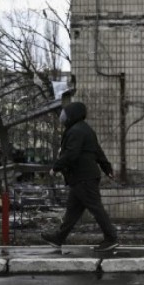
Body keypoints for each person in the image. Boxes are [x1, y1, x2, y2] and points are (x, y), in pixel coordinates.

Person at [41, 101, 119, 251]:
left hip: (83, 177)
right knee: (73, 210)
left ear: (73, 115)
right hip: (81, 178)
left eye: (66, 114)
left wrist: (56, 167)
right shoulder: (85, 129)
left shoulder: (76, 131)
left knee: (95, 208)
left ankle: (111, 238)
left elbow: (72, 153)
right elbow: (97, 151)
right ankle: (59, 238)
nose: (63, 118)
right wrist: (106, 168)